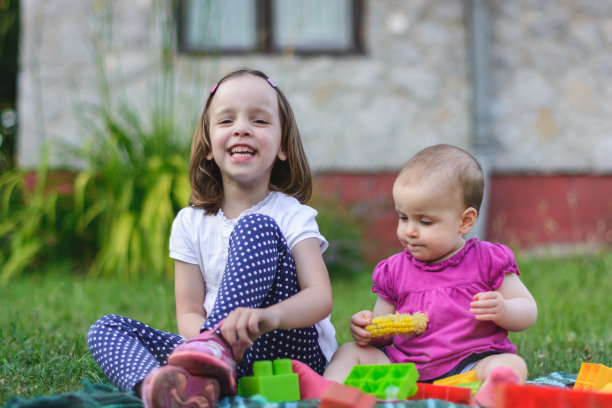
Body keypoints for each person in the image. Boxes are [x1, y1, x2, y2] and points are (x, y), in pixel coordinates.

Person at [87, 68, 337, 408]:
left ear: (282, 147)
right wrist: (209, 340)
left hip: (287, 351)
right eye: (226, 121)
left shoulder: (291, 214)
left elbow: (320, 297)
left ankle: (207, 363)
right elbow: (189, 312)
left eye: (260, 121)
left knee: (256, 226)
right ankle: (166, 388)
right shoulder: (189, 223)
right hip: (223, 358)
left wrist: (268, 318)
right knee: (106, 328)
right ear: (207, 145)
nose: (242, 128)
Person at [292, 144, 537, 408]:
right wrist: (367, 330)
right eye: (403, 217)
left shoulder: (488, 259)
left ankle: (489, 395)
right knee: (350, 351)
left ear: (465, 221)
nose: (409, 230)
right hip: (405, 369)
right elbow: (383, 331)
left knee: (511, 364)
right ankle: (329, 396)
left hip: (470, 365)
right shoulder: (394, 270)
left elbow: (528, 309)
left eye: (425, 222)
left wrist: (504, 309)